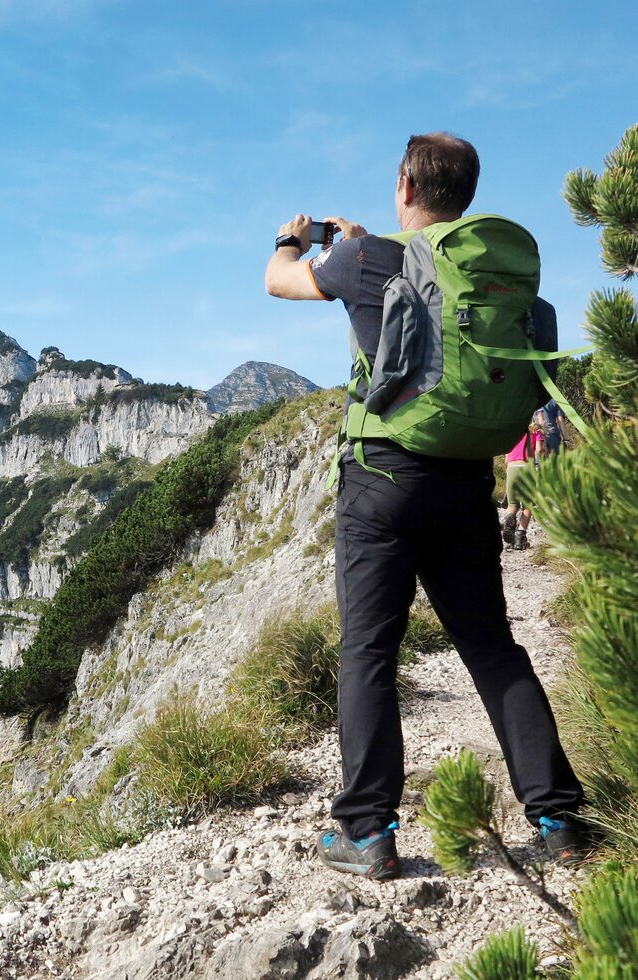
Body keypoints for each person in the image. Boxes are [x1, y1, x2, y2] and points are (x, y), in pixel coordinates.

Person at [264, 132, 587, 880]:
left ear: (404, 185)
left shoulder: (367, 260)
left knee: (369, 651)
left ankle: (368, 832)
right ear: (463, 195)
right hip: (465, 481)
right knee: (491, 646)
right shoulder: (487, 270)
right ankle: (558, 818)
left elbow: (278, 282)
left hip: (382, 480)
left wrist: (292, 239)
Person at [502, 417, 546, 550]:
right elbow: (539, 450)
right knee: (528, 504)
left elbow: (506, 458)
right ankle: (520, 539)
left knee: (512, 504)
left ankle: (510, 519)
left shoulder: (513, 433)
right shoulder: (536, 432)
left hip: (511, 467)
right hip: (527, 466)